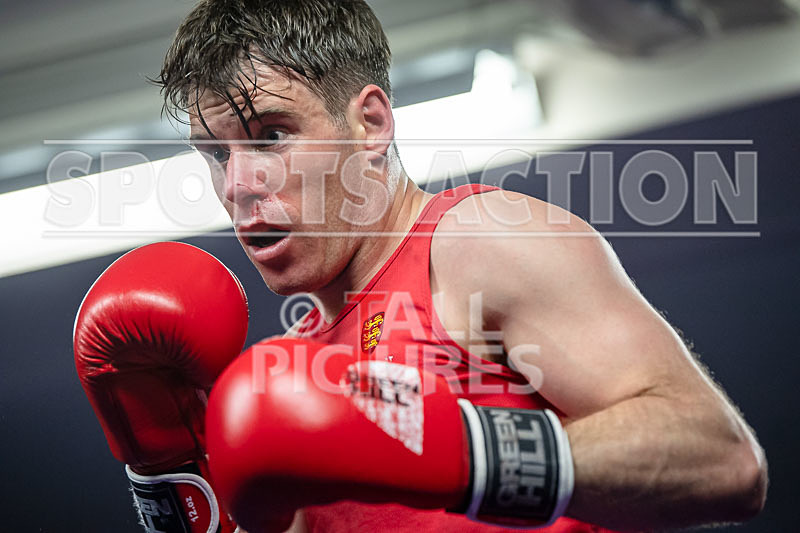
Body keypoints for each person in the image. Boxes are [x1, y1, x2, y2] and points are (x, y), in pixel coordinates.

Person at [79, 1, 768, 532]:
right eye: (217, 153)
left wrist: (459, 453)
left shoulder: (475, 243)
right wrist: (163, 462)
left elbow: (719, 457)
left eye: (271, 135)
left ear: (371, 123)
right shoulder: (285, 380)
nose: (238, 184)